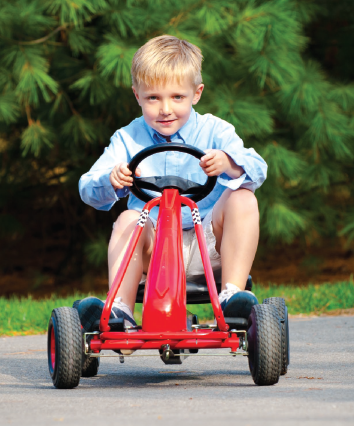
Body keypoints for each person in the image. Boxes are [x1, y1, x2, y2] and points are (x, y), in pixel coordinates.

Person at [78, 35, 267, 332]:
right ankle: (120, 311)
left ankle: (232, 296)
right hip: (153, 251)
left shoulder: (215, 131)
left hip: (209, 245)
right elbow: (88, 189)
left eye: (177, 97)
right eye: (153, 98)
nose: (165, 108)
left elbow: (258, 168)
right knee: (128, 217)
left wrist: (229, 164)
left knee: (243, 198)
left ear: (196, 93)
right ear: (137, 95)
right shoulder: (127, 139)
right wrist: (111, 179)